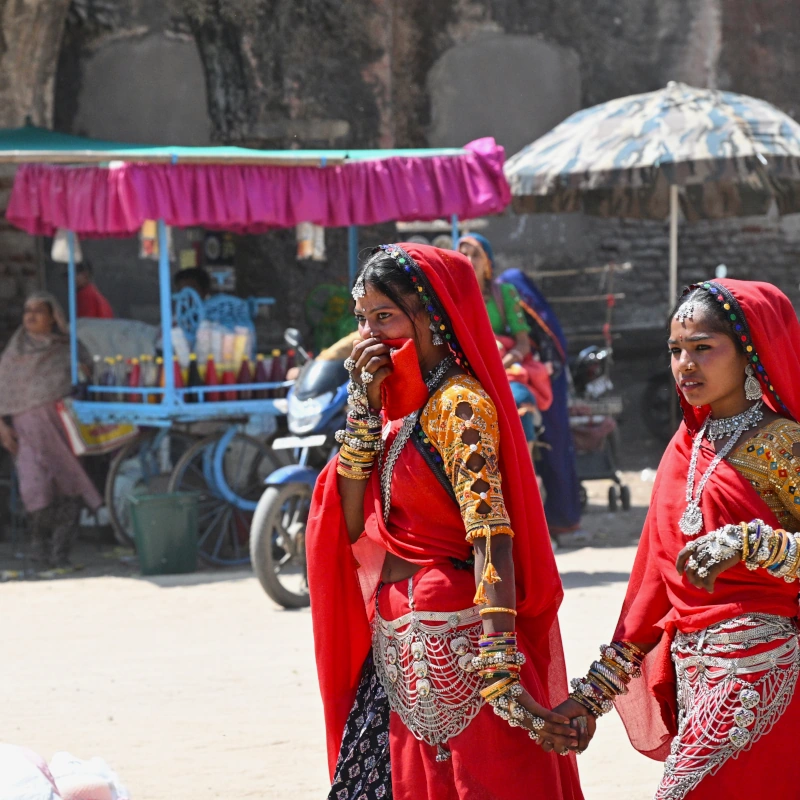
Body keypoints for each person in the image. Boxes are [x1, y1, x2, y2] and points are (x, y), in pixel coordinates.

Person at [306, 243, 584, 800]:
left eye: (384, 317)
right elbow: (353, 518)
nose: (368, 336)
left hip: (462, 649)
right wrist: (362, 408)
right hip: (398, 651)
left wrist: (500, 669)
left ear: (433, 316)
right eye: (362, 320)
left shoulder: (458, 405)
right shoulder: (397, 403)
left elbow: (490, 537)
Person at [556, 279, 800, 799]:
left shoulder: (784, 443)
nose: (684, 365)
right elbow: (650, 592)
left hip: (766, 675)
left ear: (749, 352)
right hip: (696, 683)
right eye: (675, 351)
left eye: (703, 348)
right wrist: (593, 695)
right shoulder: (686, 449)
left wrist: (754, 545)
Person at [0, 292, 102, 569]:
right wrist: (2, 428)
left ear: (52, 317)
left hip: (63, 432)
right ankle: (38, 550)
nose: (30, 316)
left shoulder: (67, 348)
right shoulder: (14, 353)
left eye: (38, 311)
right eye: (27, 310)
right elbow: (3, 393)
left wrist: (83, 368)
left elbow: (89, 374)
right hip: (27, 436)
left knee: (68, 487)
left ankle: (60, 554)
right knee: (35, 490)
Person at [498, 269, 582, 535]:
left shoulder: (509, 295)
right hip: (530, 375)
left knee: (550, 448)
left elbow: (529, 344)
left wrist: (510, 360)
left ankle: (548, 516)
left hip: (541, 380)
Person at [458, 234, 552, 453]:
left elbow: (523, 344)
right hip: (465, 372)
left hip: (503, 371)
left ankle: (525, 473)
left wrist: (500, 365)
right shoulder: (451, 297)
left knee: (520, 401)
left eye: (476, 255)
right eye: (463, 254)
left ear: (488, 263)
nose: (469, 260)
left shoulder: (505, 293)